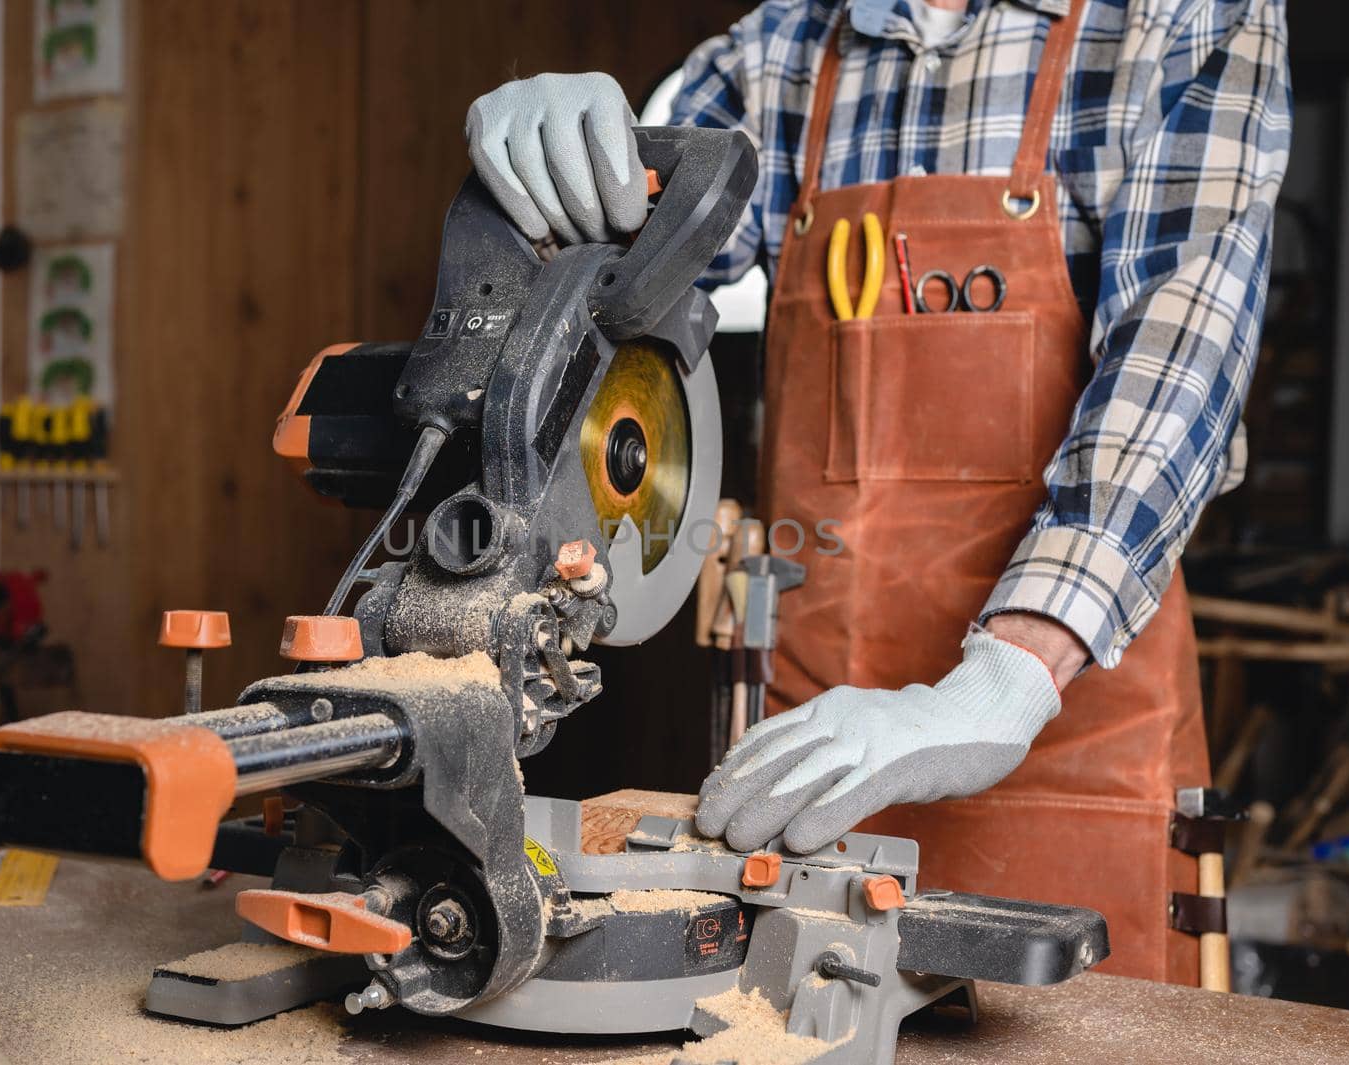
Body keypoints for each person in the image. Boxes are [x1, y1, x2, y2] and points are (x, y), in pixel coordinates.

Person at [465, 0, 1290, 983]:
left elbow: (1176, 364)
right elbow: (609, 311)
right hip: (815, 758)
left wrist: (1004, 682)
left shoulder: (1184, 18)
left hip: (1064, 739)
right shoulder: (775, 51)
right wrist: (542, 203)